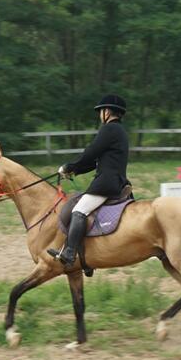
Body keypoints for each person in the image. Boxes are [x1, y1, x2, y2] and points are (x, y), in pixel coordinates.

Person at [47, 94, 130, 266]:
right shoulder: (120, 131)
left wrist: (69, 166)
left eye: (101, 112)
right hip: (117, 180)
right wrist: (74, 170)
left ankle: (70, 253)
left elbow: (91, 152)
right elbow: (95, 161)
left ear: (107, 112)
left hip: (107, 183)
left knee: (79, 211)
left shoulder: (109, 129)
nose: (100, 115)